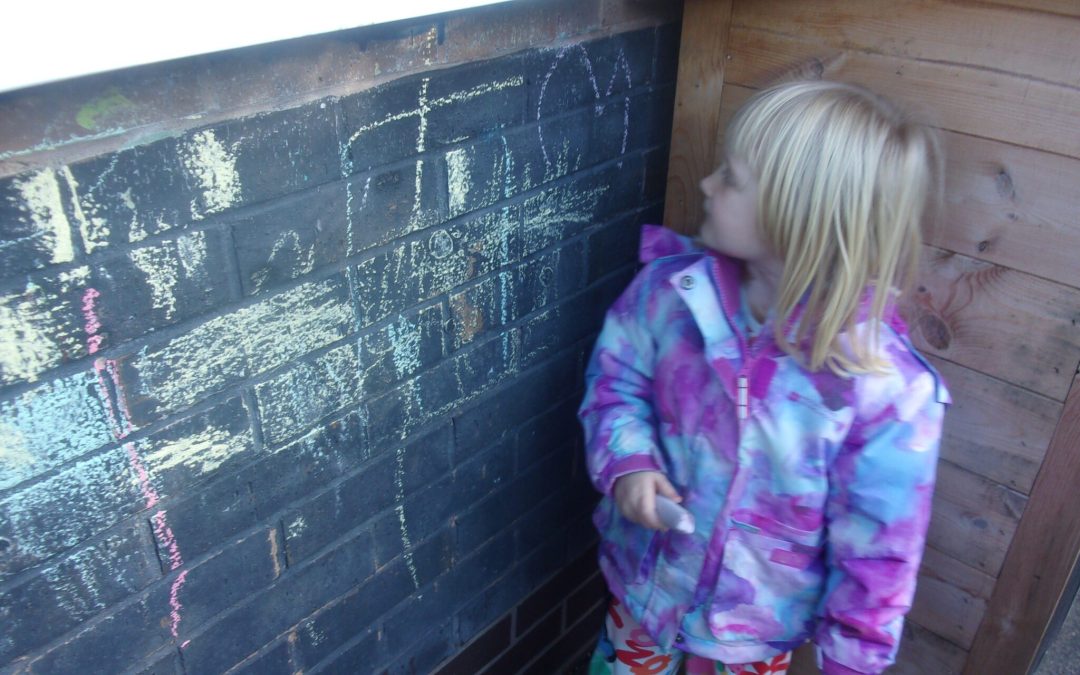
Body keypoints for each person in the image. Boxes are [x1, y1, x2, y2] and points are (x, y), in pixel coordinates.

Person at [579, 80, 950, 675]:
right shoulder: (670, 293)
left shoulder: (886, 392)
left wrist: (850, 664)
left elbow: (879, 554)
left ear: (797, 213)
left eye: (730, 176)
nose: (706, 184)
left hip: (754, 635)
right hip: (646, 595)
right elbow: (616, 381)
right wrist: (630, 463)